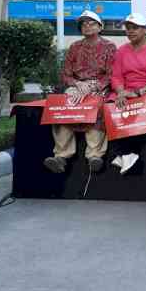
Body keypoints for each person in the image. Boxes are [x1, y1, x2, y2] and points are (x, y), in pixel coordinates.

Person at [43, 10, 116, 174]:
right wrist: (77, 84)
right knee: (63, 106)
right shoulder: (75, 47)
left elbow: (112, 74)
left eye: (91, 23)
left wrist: (93, 86)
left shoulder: (109, 47)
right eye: (83, 24)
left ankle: (95, 155)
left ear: (100, 26)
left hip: (99, 86)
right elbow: (66, 74)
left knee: (96, 106)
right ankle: (61, 156)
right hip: (76, 86)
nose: (87, 26)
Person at [108, 13, 146, 174]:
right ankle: (127, 154)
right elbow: (116, 76)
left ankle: (124, 153)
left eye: (135, 28)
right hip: (126, 91)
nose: (131, 31)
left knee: (139, 110)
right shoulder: (121, 51)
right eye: (128, 28)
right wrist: (121, 93)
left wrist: (137, 93)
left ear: (145, 30)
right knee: (109, 108)